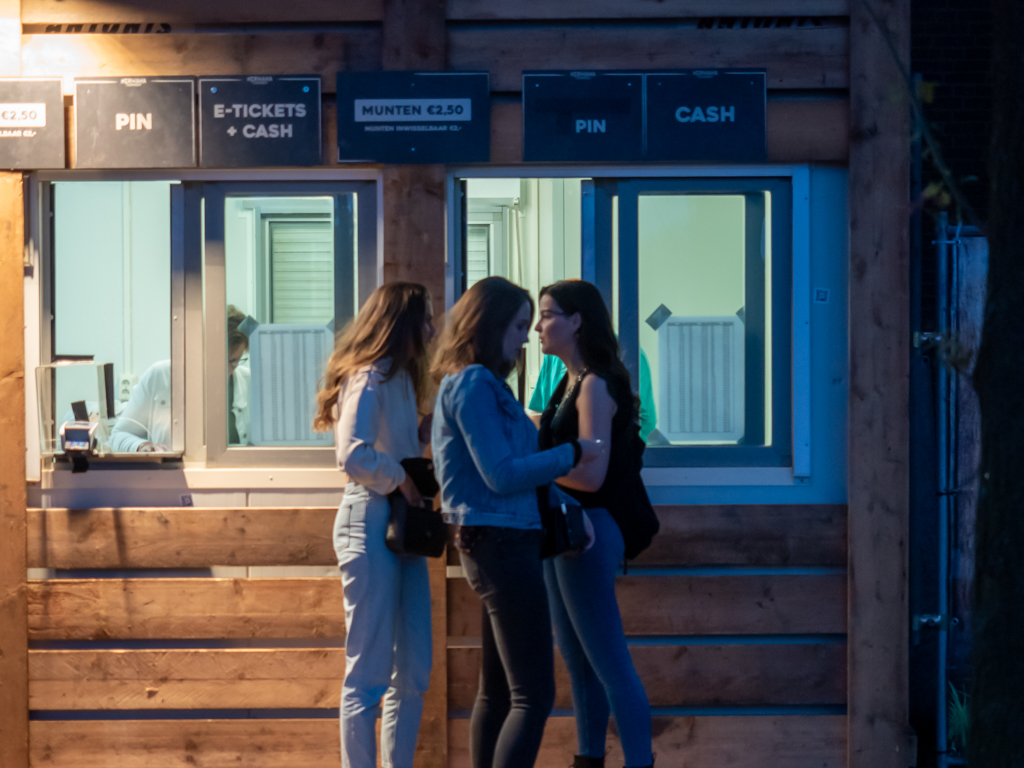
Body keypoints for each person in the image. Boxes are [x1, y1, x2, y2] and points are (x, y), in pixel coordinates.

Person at [431, 276, 603, 768]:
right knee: (534, 695)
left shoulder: (482, 384)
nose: (525, 339)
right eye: (518, 326)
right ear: (489, 325)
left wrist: (567, 505)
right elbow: (503, 474)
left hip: (500, 541)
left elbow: (516, 469)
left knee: (501, 693)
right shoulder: (474, 385)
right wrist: (574, 452)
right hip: (500, 544)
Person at [312, 282, 436, 768]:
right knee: (367, 674)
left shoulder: (397, 379)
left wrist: (420, 433)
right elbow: (352, 454)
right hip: (369, 519)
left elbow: (383, 446)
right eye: (426, 320)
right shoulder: (369, 377)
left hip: (396, 522)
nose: (432, 330)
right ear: (403, 324)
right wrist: (402, 478)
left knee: (414, 670)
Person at [533, 280, 654, 768]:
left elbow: (592, 475)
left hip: (588, 530)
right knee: (580, 664)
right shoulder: (569, 382)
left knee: (609, 664)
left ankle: (638, 761)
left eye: (547, 315)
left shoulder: (595, 385)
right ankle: (589, 759)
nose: (538, 327)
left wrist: (531, 470)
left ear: (577, 320)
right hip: (565, 529)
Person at [110, 305, 251, 452]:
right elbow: (119, 435)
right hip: (175, 467)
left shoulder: (250, 381)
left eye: (234, 361)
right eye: (217, 360)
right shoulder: (160, 375)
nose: (224, 370)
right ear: (199, 347)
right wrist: (143, 446)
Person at [528, 349, 657, 442]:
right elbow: (537, 410)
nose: (538, 326)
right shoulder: (553, 358)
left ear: (575, 321)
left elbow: (645, 421)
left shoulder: (627, 354)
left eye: (547, 318)